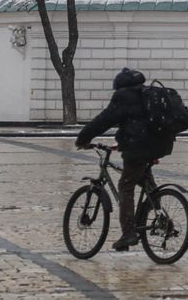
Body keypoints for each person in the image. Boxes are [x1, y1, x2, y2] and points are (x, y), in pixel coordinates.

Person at [75, 68, 175, 250]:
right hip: (158, 145)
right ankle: (159, 214)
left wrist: (83, 139)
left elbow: (103, 120)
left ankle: (129, 233)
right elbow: (138, 123)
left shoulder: (124, 97)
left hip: (138, 148)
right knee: (143, 179)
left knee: (125, 185)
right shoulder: (147, 94)